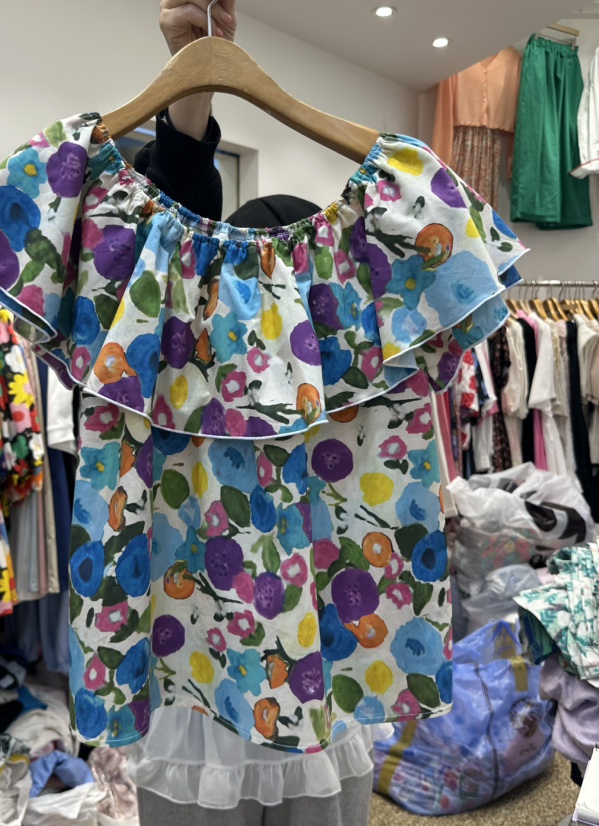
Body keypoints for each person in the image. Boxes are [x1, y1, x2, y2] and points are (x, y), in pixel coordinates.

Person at [126, 3, 391, 824]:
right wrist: (195, 78)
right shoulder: (183, 343)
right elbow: (172, 220)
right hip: (206, 671)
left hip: (305, 670)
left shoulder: (357, 337)